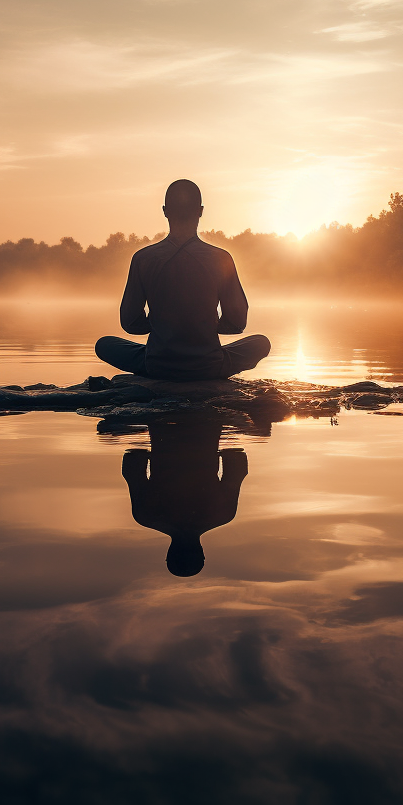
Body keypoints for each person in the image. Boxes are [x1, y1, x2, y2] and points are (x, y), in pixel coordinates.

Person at [95, 179, 271, 381]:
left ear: (165, 211)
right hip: (209, 366)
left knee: (104, 344)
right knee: (261, 343)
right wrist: (203, 326)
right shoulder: (221, 259)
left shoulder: (143, 258)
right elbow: (237, 322)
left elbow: (130, 322)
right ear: (201, 211)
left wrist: (164, 327)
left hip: (157, 365)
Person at [121, 414, 247, 577]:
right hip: (161, 422)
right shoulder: (145, 516)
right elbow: (132, 463)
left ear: (202, 553)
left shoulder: (223, 515)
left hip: (207, 424)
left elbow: (237, 463)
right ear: (168, 554)